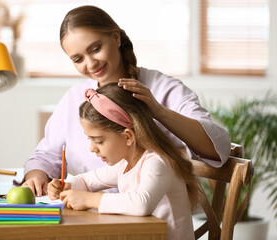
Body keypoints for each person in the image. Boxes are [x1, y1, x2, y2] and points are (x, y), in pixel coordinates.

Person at [22, 5, 231, 196]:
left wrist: (159, 112)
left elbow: (218, 148)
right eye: (78, 59)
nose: (91, 63)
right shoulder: (75, 98)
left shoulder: (164, 89)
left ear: (115, 37)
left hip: (152, 221)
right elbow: (46, 155)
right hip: (88, 217)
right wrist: (36, 175)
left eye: (95, 49)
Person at [48, 83, 200, 240]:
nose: (92, 149)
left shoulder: (157, 162)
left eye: (98, 141)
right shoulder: (125, 164)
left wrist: (89, 199)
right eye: (90, 140)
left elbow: (141, 204)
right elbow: (87, 180)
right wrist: (66, 185)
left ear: (128, 137)